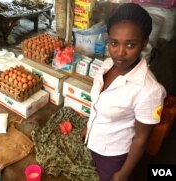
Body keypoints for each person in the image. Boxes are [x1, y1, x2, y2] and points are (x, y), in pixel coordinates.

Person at [81, 3, 167, 181]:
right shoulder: (107, 65)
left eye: (130, 45)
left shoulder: (150, 90)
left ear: (144, 44)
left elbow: (141, 139)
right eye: (114, 43)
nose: (120, 53)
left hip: (114, 156)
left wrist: (123, 173)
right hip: (95, 142)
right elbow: (99, 104)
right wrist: (89, 128)